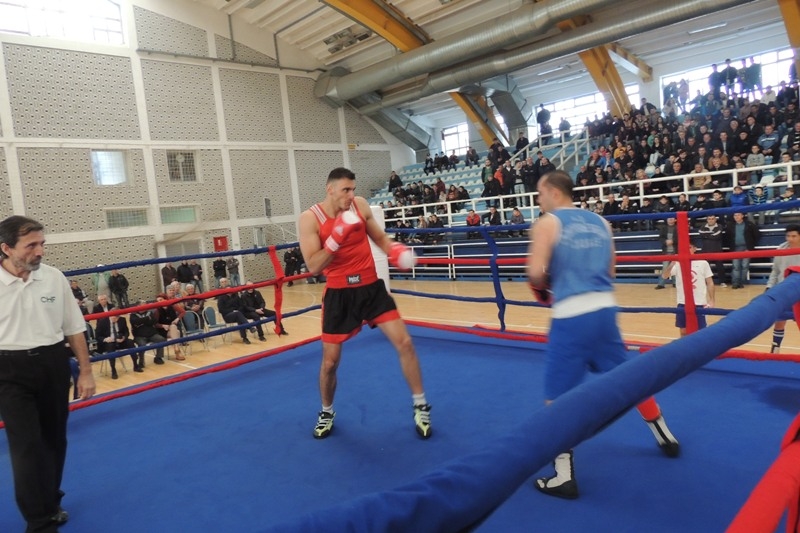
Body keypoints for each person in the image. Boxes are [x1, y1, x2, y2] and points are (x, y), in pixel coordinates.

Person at [527, 171, 679, 500]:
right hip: (605, 311)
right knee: (627, 376)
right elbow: (610, 271)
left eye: (540, 193)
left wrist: (541, 287)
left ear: (553, 192)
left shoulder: (547, 223)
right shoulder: (601, 222)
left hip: (571, 317)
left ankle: (563, 475)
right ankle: (664, 434)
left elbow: (535, 273)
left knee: (558, 399)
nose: (538, 200)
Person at [298, 167, 431, 440]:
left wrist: (397, 251)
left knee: (405, 343)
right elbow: (313, 266)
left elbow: (380, 238)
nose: (351, 195)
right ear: (330, 189)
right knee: (330, 363)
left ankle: (420, 406)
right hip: (339, 295)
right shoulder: (310, 219)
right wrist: (336, 238)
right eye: (345, 190)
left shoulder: (359, 206)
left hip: (371, 288)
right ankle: (326, 411)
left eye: (353, 189)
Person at [0, 215, 96, 532]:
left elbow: (74, 327)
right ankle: (39, 521)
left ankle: (50, 502)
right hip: (9, 370)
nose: (40, 251)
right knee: (26, 447)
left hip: (54, 362)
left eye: (42, 244)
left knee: (54, 441)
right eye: (31, 245)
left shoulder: (54, 278)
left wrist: (85, 371)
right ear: (6, 248)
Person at [662, 241, 715, 336]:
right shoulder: (678, 263)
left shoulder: (703, 263)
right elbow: (664, 276)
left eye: (689, 247)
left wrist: (712, 300)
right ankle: (684, 349)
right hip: (682, 302)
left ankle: (700, 350)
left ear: (695, 249)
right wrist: (672, 263)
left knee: (700, 331)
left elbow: (710, 282)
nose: (687, 250)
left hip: (699, 302)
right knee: (683, 331)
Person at [765, 224, 800, 354]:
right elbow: (775, 271)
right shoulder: (781, 249)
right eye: (788, 236)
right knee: (779, 320)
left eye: (794, 236)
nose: (790, 239)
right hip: (783, 290)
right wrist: (769, 286)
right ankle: (775, 349)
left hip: (799, 291)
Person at [216, 278, 261, 344]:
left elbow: (241, 305)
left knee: (239, 317)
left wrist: (237, 310)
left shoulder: (236, 296)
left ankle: (245, 338)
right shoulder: (221, 298)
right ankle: (250, 327)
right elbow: (221, 310)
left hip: (238, 314)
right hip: (227, 316)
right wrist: (232, 310)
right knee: (238, 314)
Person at [95, 314, 138, 378]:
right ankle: (113, 370)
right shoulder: (102, 322)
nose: (114, 319)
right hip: (109, 342)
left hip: (120, 341)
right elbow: (97, 336)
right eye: (113, 318)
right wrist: (105, 339)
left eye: (116, 318)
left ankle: (135, 365)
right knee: (110, 347)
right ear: (110, 316)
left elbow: (126, 332)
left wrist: (124, 338)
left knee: (130, 342)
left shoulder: (122, 320)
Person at [725, 212, 760, 289]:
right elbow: (727, 237)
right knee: (736, 266)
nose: (736, 216)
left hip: (747, 248)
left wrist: (751, 244)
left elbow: (757, 234)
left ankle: (741, 282)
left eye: (738, 215)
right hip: (735, 248)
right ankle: (735, 283)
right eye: (735, 215)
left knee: (745, 266)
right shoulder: (730, 225)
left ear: (742, 216)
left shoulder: (749, 224)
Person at [698, 214, 726, 287]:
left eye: (712, 219)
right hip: (705, 250)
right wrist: (711, 235)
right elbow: (701, 233)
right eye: (709, 219)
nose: (711, 220)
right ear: (707, 220)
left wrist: (707, 236)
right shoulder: (702, 226)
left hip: (717, 250)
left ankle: (722, 282)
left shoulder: (719, 226)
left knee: (720, 267)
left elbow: (717, 235)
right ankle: (704, 282)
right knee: (705, 268)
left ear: (715, 220)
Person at [655, 217, 678, 289]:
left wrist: (673, 241)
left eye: (672, 218)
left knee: (675, 267)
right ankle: (661, 284)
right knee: (665, 267)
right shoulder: (663, 228)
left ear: (675, 220)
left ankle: (675, 283)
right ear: (667, 220)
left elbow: (681, 237)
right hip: (666, 251)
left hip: (676, 251)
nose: (670, 220)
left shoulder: (678, 228)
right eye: (669, 218)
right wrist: (665, 241)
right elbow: (660, 238)